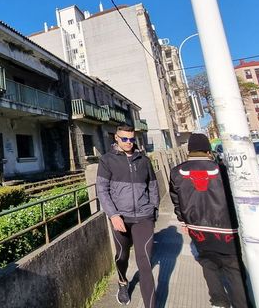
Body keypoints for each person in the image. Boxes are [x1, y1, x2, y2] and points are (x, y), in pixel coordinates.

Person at [169, 133, 250, 308]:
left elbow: (176, 200)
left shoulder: (176, 172)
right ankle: (242, 303)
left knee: (208, 262)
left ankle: (219, 301)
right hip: (227, 227)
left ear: (189, 150)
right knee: (233, 266)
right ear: (208, 150)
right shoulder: (222, 169)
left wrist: (183, 220)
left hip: (197, 227)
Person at [96, 125, 158, 307]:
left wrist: (153, 210)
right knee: (122, 256)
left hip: (144, 217)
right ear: (116, 138)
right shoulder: (107, 160)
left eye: (131, 139)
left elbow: (153, 186)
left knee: (145, 263)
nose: (129, 143)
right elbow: (102, 190)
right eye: (124, 139)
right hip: (120, 217)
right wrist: (113, 215)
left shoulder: (144, 160)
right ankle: (123, 282)